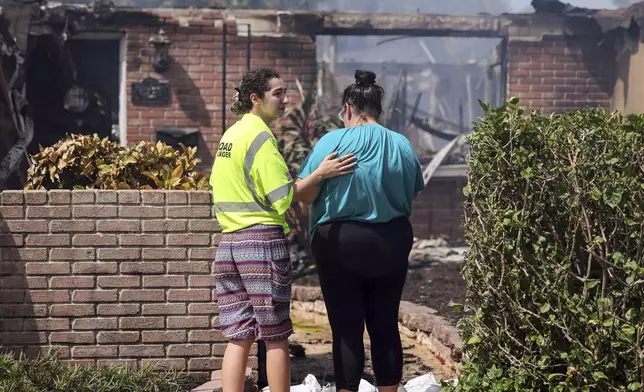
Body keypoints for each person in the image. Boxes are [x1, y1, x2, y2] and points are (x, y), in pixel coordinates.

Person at [209, 67, 356, 392]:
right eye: (278, 93)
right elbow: (284, 196)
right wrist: (320, 173)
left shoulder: (229, 136)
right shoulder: (260, 138)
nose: (286, 100)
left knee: (239, 335)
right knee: (275, 336)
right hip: (260, 245)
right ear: (255, 99)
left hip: (228, 247)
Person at [296, 70, 425, 392]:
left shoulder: (332, 141)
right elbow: (413, 192)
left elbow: (304, 194)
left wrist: (324, 177)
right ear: (379, 108)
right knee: (385, 324)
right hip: (391, 241)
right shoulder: (401, 144)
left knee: (346, 328)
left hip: (340, 243)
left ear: (348, 107)